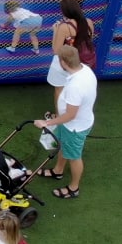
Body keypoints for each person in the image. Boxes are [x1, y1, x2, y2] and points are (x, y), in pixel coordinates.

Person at [34, 45, 98, 199]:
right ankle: (58, 171)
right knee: (62, 145)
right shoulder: (85, 70)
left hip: (74, 127)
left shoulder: (75, 86)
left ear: (63, 62)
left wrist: (47, 123)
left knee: (74, 157)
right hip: (74, 123)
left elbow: (70, 115)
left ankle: (74, 188)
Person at [46, 0, 96, 102]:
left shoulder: (64, 27)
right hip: (82, 64)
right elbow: (88, 40)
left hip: (66, 62)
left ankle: (60, 112)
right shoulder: (89, 22)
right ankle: (75, 110)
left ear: (64, 12)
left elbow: (56, 50)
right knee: (77, 90)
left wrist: (56, 30)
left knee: (59, 90)